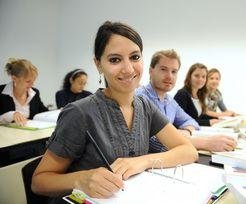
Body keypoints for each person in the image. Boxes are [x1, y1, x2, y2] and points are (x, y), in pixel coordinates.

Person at [32, 21, 198, 202]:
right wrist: (80, 179)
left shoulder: (145, 106)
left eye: (135, 57)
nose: (128, 69)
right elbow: (39, 182)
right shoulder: (79, 113)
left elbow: (188, 150)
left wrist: (143, 161)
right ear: (98, 64)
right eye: (115, 60)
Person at [136, 50, 237, 153]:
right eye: (163, 69)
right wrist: (205, 143)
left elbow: (191, 121)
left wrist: (187, 130)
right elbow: (151, 142)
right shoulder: (140, 98)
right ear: (151, 71)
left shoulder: (170, 101)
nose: (169, 76)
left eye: (174, 71)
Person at [0, 58, 48, 125]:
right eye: (28, 81)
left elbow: (44, 113)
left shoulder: (34, 93)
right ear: (14, 78)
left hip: (32, 134)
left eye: (33, 81)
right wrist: (11, 115)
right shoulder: (1, 92)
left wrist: (60, 112)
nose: (32, 84)